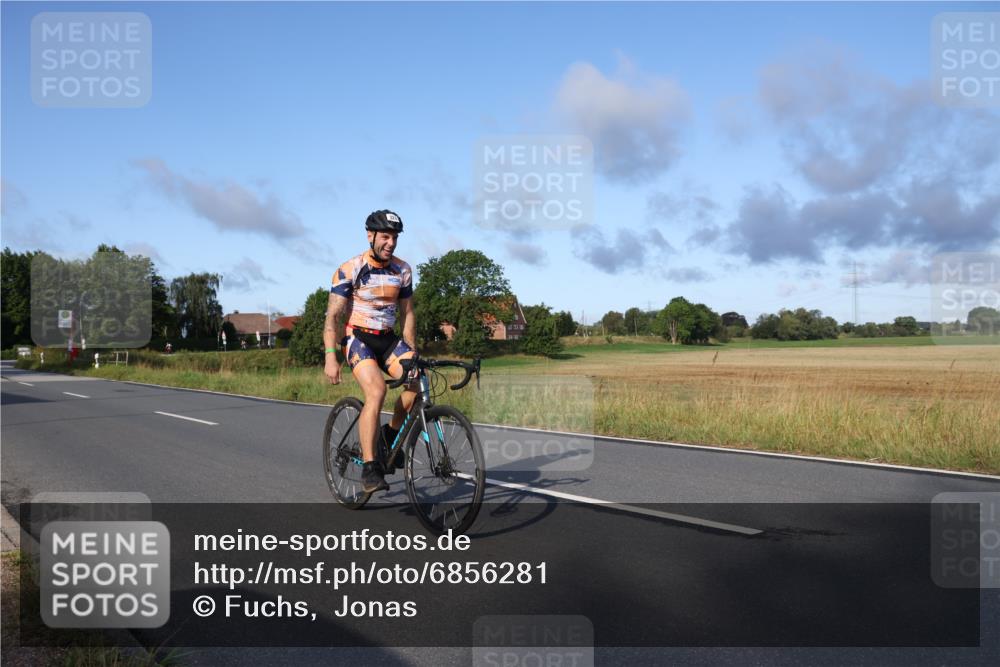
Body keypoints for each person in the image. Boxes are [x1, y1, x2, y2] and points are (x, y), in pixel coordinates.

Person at [323, 209, 418, 493]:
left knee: (417, 383)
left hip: (387, 339)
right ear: (370, 236)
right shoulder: (349, 269)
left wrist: (412, 352)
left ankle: (389, 436)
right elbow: (333, 317)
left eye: (395, 237)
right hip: (358, 338)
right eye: (385, 237)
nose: (391, 243)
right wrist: (330, 356)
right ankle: (369, 467)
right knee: (377, 391)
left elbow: (408, 313)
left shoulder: (403, 270)